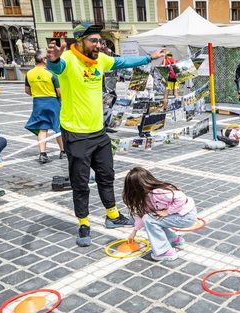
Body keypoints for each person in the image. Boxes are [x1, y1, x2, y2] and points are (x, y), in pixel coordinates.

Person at [46, 23, 167, 247]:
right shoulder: (69, 60)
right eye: (94, 40)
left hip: (99, 133)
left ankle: (112, 216)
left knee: (106, 175)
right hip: (76, 133)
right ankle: (83, 223)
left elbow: (123, 62)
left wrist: (149, 57)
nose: (99, 45)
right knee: (80, 182)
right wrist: (52, 60)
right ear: (79, 41)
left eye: (100, 41)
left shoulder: (101, 60)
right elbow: (56, 67)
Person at [123, 167, 198, 261]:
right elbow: (142, 214)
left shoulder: (157, 192)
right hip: (182, 215)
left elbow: (181, 197)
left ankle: (165, 252)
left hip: (186, 216)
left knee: (150, 220)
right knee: (152, 219)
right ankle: (174, 239)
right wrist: (134, 232)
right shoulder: (147, 196)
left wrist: (168, 212)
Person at [24, 49, 66, 163]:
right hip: (52, 102)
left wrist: (37, 95)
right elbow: (59, 91)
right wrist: (60, 100)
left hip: (38, 102)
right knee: (58, 128)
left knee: (43, 128)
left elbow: (27, 90)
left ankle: (42, 153)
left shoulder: (29, 73)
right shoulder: (51, 73)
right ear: (43, 59)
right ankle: (63, 151)